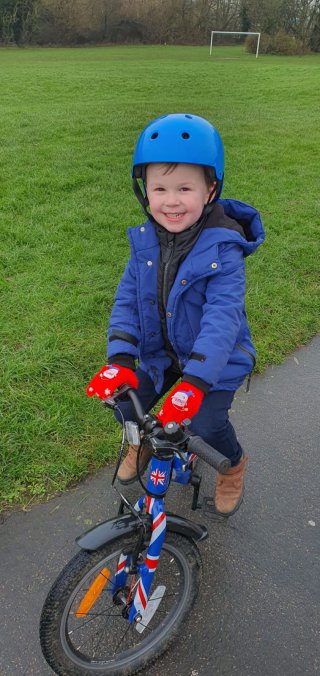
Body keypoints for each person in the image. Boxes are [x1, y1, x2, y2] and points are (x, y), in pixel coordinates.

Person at [87, 113, 265, 516]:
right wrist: (119, 358)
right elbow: (127, 300)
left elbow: (223, 319)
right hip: (161, 352)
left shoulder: (225, 248)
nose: (170, 200)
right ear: (144, 192)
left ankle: (233, 466)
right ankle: (142, 441)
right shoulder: (145, 241)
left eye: (185, 188)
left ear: (210, 189)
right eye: (159, 188)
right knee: (126, 405)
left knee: (205, 425)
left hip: (213, 362)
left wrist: (197, 382)